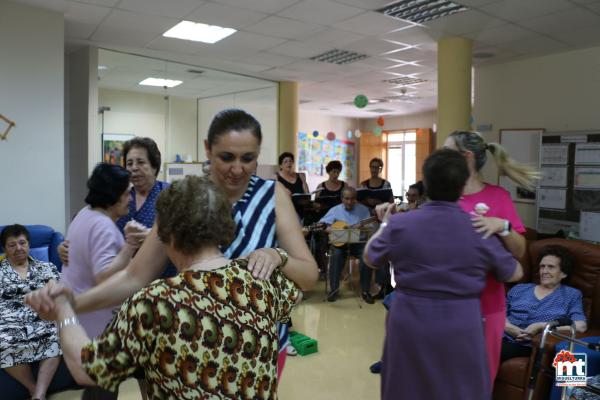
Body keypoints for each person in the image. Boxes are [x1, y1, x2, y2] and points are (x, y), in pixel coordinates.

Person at [27, 108, 318, 379]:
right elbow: (134, 276)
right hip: (191, 343)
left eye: (248, 158)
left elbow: (307, 276)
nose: (238, 169)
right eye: (227, 157)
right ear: (208, 149)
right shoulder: (185, 200)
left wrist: (278, 255)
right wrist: (73, 303)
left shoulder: (273, 196)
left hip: (257, 350)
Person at [30, 176, 301, 398]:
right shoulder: (263, 281)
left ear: (165, 234)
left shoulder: (154, 303)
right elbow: (300, 288)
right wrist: (278, 254)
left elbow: (88, 369)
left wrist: (64, 310)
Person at [365, 149, 524, 400]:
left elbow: (370, 258)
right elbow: (515, 273)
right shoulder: (477, 227)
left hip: (409, 321)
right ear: (462, 186)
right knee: (458, 390)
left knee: (406, 388)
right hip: (460, 324)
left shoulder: (400, 223)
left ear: (426, 183)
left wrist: (385, 222)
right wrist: (499, 231)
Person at [444, 130, 539, 381]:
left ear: (466, 157)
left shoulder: (498, 197)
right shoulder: (443, 198)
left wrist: (502, 226)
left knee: (478, 382)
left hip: (487, 307)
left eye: (446, 152)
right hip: (446, 306)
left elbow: (520, 252)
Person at [59, 137, 177, 279]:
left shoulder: (171, 195)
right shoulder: (117, 196)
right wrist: (65, 248)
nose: (134, 167)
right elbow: (90, 224)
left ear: (154, 166)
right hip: (120, 281)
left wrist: (153, 238)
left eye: (140, 162)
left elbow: (186, 239)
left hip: (161, 280)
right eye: (129, 163)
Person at [0, 224, 61, 400]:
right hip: (7, 320)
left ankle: (39, 395)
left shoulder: (45, 267)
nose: (18, 248)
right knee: (2, 341)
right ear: (5, 248)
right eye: (12, 245)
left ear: (28, 244)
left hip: (41, 315)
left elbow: (55, 291)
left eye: (22, 243)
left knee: (56, 335)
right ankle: (34, 389)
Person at [502, 245, 586, 361]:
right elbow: (498, 312)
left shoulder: (571, 295)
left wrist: (541, 326)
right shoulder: (519, 289)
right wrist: (509, 328)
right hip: (501, 336)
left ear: (564, 273)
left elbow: (581, 326)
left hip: (530, 345)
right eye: (542, 267)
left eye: (551, 267)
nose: (544, 271)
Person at [319, 187, 378, 304]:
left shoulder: (363, 210)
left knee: (366, 255)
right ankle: (334, 290)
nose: (349, 202)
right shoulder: (335, 210)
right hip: (340, 244)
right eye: (346, 199)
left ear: (356, 199)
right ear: (342, 199)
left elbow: (372, 226)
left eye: (352, 199)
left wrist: (362, 227)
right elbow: (322, 224)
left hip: (358, 244)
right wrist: (331, 229)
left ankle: (365, 291)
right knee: (336, 254)